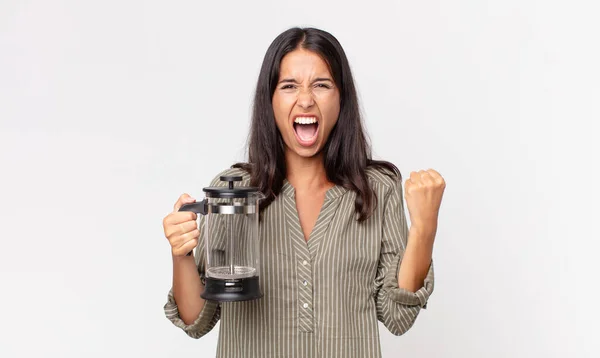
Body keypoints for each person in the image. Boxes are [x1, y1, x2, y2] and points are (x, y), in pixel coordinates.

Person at [162, 27, 445, 358]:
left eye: (322, 85)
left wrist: (425, 228)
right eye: (289, 86)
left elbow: (399, 317)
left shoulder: (377, 188)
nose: (306, 99)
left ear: (342, 98)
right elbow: (197, 319)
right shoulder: (234, 191)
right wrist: (180, 253)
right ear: (270, 101)